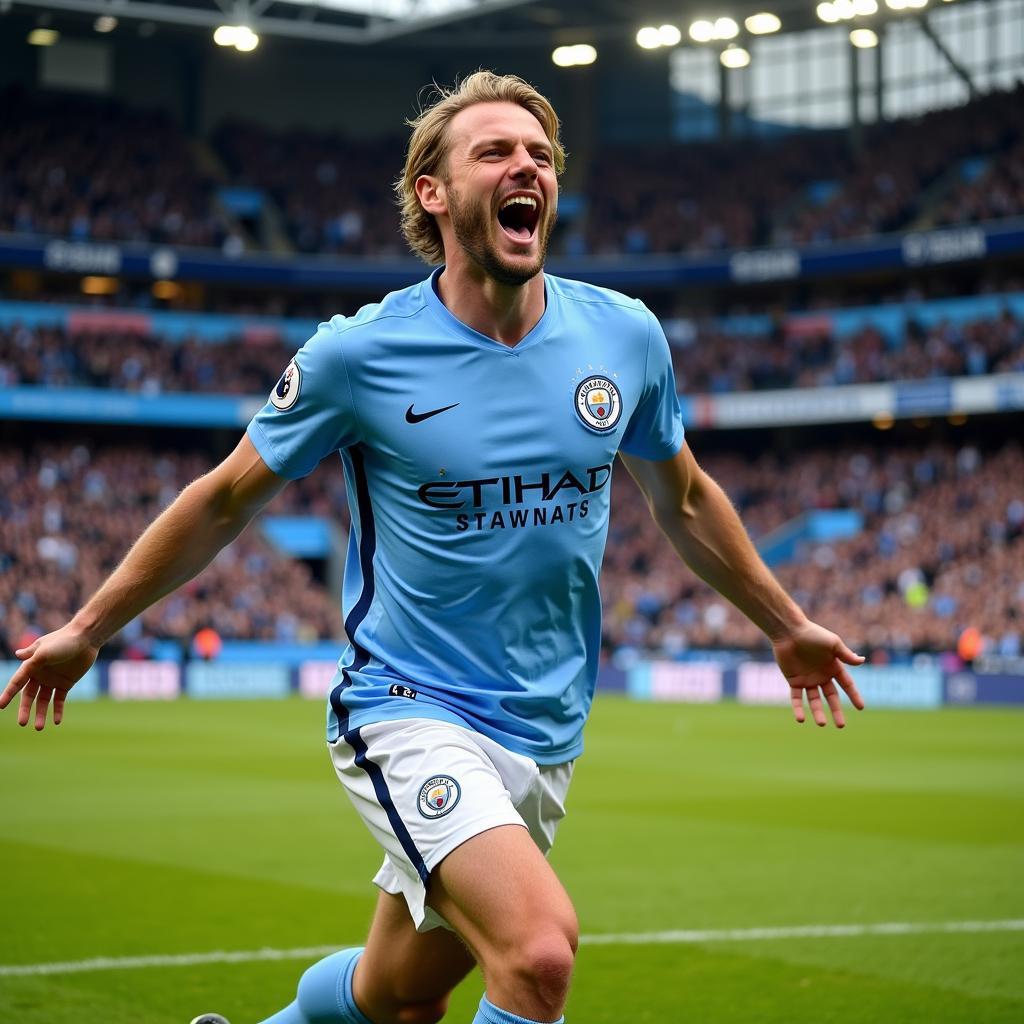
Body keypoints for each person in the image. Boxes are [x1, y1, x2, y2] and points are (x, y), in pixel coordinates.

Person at [0, 71, 865, 1024]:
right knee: (537, 956)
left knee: (398, 997)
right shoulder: (357, 355)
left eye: (539, 155)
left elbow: (688, 499)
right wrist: (88, 626)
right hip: (405, 706)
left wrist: (786, 624)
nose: (525, 166)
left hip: (544, 728)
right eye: (493, 152)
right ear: (434, 193)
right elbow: (221, 501)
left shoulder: (624, 337)